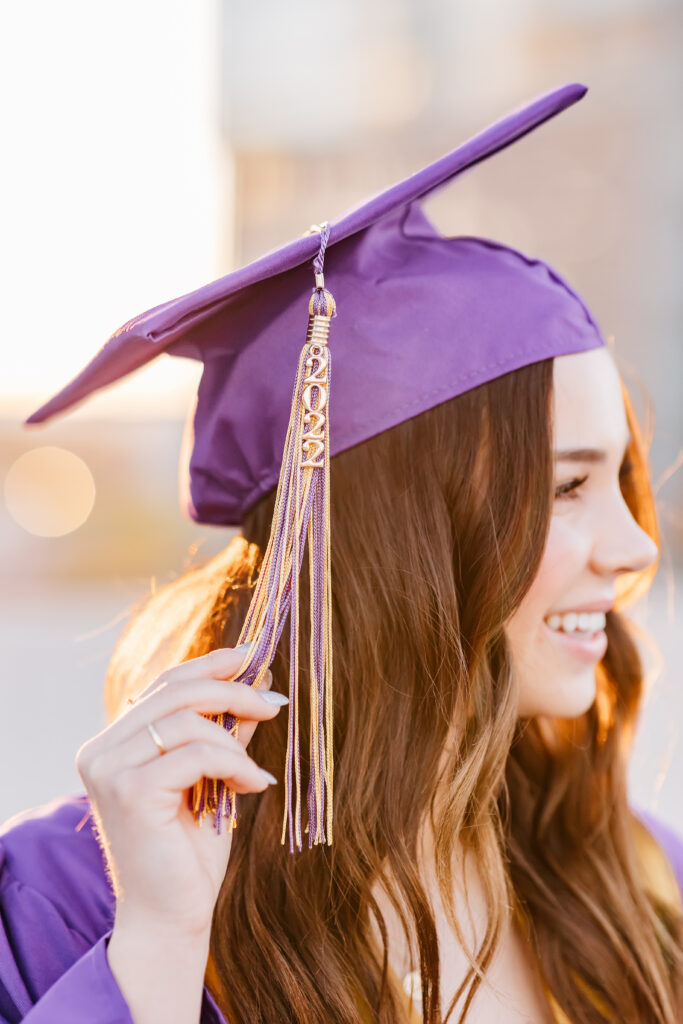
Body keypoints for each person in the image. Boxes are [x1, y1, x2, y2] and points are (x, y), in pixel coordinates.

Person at [2, 82, 681, 1023]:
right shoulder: (66, 899)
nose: (636, 544)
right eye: (567, 488)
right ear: (396, 535)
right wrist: (155, 947)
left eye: (622, 482)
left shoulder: (638, 879)